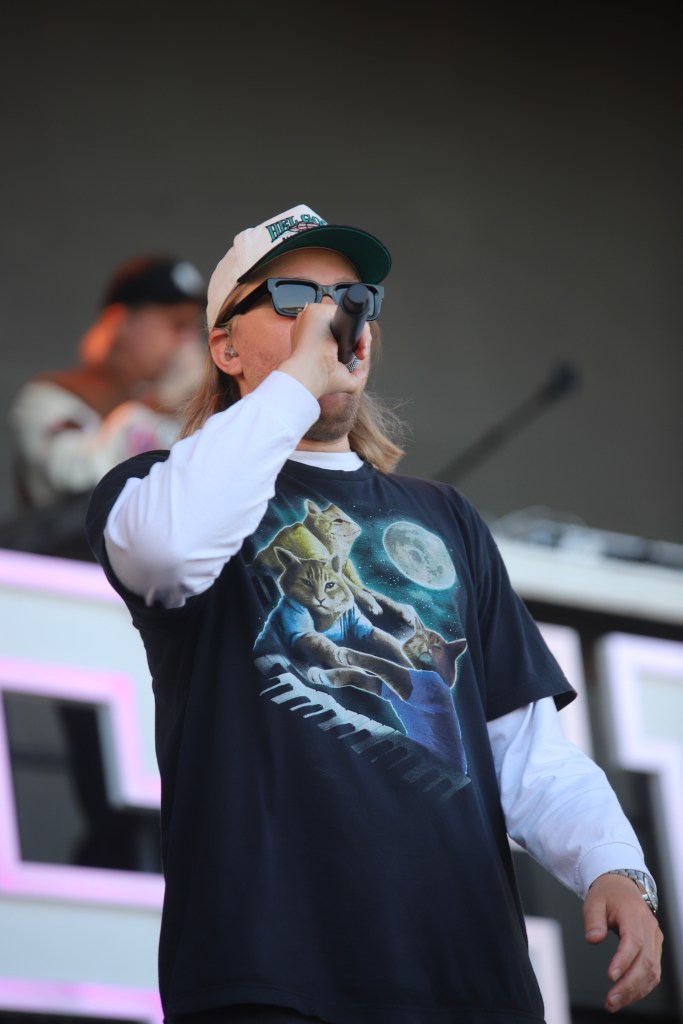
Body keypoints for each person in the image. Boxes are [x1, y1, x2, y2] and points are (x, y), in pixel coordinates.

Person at [85, 203, 663, 1024]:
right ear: (226, 348)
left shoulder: (444, 516)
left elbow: (525, 749)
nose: (333, 316)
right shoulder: (158, 490)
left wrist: (615, 867)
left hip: (471, 985)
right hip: (268, 976)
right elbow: (168, 552)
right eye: (295, 298)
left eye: (353, 298)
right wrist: (296, 384)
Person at [9, 253, 207, 513]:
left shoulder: (189, 406)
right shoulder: (49, 396)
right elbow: (72, 479)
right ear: (123, 322)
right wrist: (158, 404)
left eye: (195, 327)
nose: (190, 341)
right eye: (178, 325)